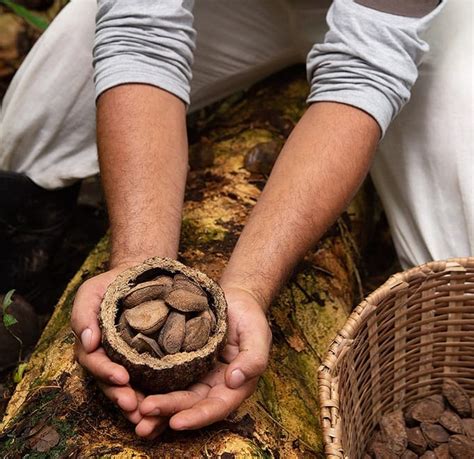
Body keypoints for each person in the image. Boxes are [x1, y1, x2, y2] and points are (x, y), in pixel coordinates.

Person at [1, 0, 472, 440]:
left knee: (460, 248)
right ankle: (41, 251)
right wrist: (143, 266)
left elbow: (364, 67)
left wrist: (248, 285)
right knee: (32, 130)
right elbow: (141, 34)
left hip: (402, 24)